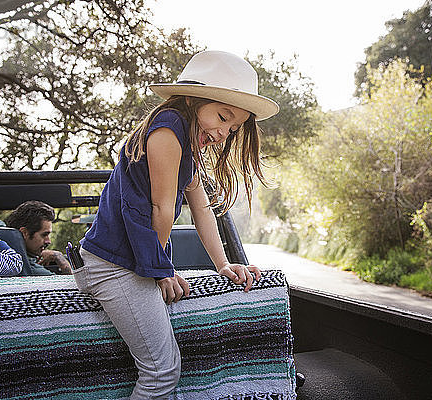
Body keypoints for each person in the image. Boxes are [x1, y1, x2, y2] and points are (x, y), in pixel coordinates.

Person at [74, 50, 279, 399]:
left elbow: (201, 209)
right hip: (112, 266)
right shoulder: (168, 130)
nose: (223, 133)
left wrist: (223, 263)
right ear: (192, 99)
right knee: (161, 372)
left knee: (165, 370)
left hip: (125, 263)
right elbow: (162, 209)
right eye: (222, 116)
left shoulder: (188, 143)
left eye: (233, 127)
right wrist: (161, 271)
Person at [4, 200, 72, 275]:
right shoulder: (32, 270)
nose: (48, 241)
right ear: (25, 233)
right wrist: (59, 256)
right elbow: (74, 283)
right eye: (44, 235)